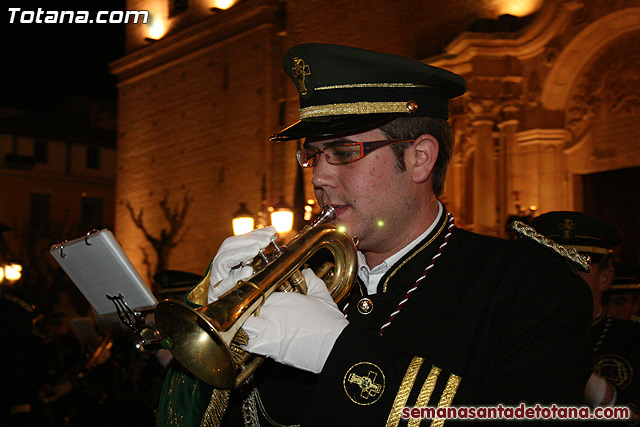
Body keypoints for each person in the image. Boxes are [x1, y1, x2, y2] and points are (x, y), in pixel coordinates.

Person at [158, 43, 593, 426]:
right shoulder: (302, 277)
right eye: (312, 155)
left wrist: (337, 351)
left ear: (420, 158)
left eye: (344, 152)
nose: (320, 177)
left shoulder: (534, 286)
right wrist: (222, 328)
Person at [531, 211, 640, 424]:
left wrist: (601, 394)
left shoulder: (634, 340)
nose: (558, 279)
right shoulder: (509, 334)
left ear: (605, 278)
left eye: (575, 267)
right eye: (548, 267)